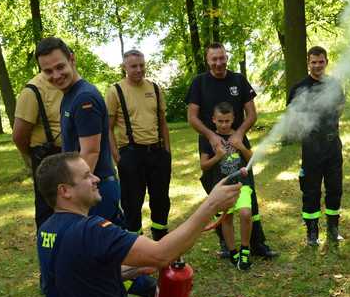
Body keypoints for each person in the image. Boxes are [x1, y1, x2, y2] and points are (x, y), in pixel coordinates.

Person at [35, 152, 240, 297]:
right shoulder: (92, 230)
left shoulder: (47, 230)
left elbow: (77, 274)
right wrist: (212, 203)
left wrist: (130, 270)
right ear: (65, 191)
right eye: (86, 176)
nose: (96, 178)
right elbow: (162, 253)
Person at [185, 42, 278, 259]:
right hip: (211, 142)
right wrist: (211, 136)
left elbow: (252, 114)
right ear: (208, 60)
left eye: (222, 58)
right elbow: (192, 117)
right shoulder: (199, 83)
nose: (218, 63)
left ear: (227, 57)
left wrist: (239, 134)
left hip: (238, 144)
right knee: (218, 196)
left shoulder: (238, 80)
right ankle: (227, 245)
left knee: (248, 195)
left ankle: (257, 244)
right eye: (214, 59)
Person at [34, 36, 124, 227]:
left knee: (102, 254)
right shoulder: (70, 94)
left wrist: (73, 198)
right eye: (48, 71)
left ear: (72, 60)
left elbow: (90, 152)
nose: (56, 75)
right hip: (87, 188)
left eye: (60, 67)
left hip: (94, 190)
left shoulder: (84, 98)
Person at [106, 50, 171, 240]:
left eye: (142, 65)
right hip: (131, 154)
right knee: (132, 203)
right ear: (125, 67)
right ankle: (135, 244)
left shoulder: (155, 88)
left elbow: (162, 122)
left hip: (157, 153)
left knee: (161, 200)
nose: (139, 69)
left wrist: (167, 151)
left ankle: (161, 240)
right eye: (134, 66)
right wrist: (117, 157)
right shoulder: (115, 91)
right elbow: (107, 128)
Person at [287, 46, 345, 249]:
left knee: (335, 188)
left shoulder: (334, 85)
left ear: (326, 62)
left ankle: (333, 229)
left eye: (321, 62)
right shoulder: (299, 87)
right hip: (311, 147)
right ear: (308, 63)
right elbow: (292, 117)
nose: (317, 65)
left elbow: (340, 107)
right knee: (311, 190)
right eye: (313, 62)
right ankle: (312, 232)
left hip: (332, 145)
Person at [199, 102, 253, 270]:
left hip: (241, 184)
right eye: (220, 121)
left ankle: (245, 249)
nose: (224, 125)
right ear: (214, 120)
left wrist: (241, 147)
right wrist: (218, 156)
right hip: (221, 188)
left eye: (227, 121)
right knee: (226, 219)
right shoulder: (207, 139)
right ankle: (233, 251)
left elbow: (251, 157)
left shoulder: (239, 135)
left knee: (245, 213)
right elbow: (204, 165)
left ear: (233, 119)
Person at [12, 73, 63, 228]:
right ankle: (48, 248)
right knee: (48, 208)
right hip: (46, 157)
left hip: (72, 155)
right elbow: (19, 136)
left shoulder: (70, 85)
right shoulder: (32, 90)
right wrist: (32, 158)